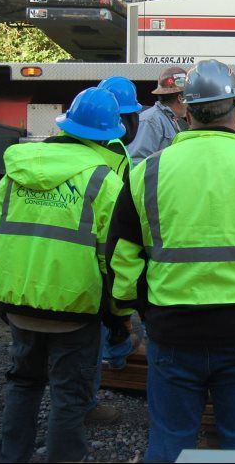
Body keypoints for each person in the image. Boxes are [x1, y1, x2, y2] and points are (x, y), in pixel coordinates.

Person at [106, 59, 235, 460]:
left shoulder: (146, 173)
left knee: (170, 441)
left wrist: (141, 310)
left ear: (186, 111)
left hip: (172, 330)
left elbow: (122, 262)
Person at [0, 87, 128, 462]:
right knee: (69, 396)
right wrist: (117, 313)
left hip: (19, 303)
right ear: (108, 134)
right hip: (75, 312)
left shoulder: (16, 172)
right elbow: (113, 261)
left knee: (23, 383)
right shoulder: (104, 182)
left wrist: (14, 287)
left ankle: (9, 456)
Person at [88, 76, 144, 423]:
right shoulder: (116, 156)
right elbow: (117, 231)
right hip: (96, 254)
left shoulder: (64, 147)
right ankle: (86, 402)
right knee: (95, 325)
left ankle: (115, 349)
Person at [127, 67, 189, 165]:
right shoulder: (150, 121)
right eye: (189, 97)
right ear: (180, 98)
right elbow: (137, 162)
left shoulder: (170, 120)